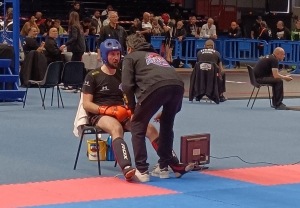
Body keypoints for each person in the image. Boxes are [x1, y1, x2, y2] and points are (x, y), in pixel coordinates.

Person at [122, 34, 194, 182]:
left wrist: (132, 108)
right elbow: (171, 80)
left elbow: (127, 85)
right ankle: (164, 167)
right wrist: (170, 110)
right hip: (178, 86)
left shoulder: (131, 57)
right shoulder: (157, 56)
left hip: (154, 87)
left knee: (137, 125)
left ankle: (142, 171)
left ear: (129, 48)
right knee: (167, 125)